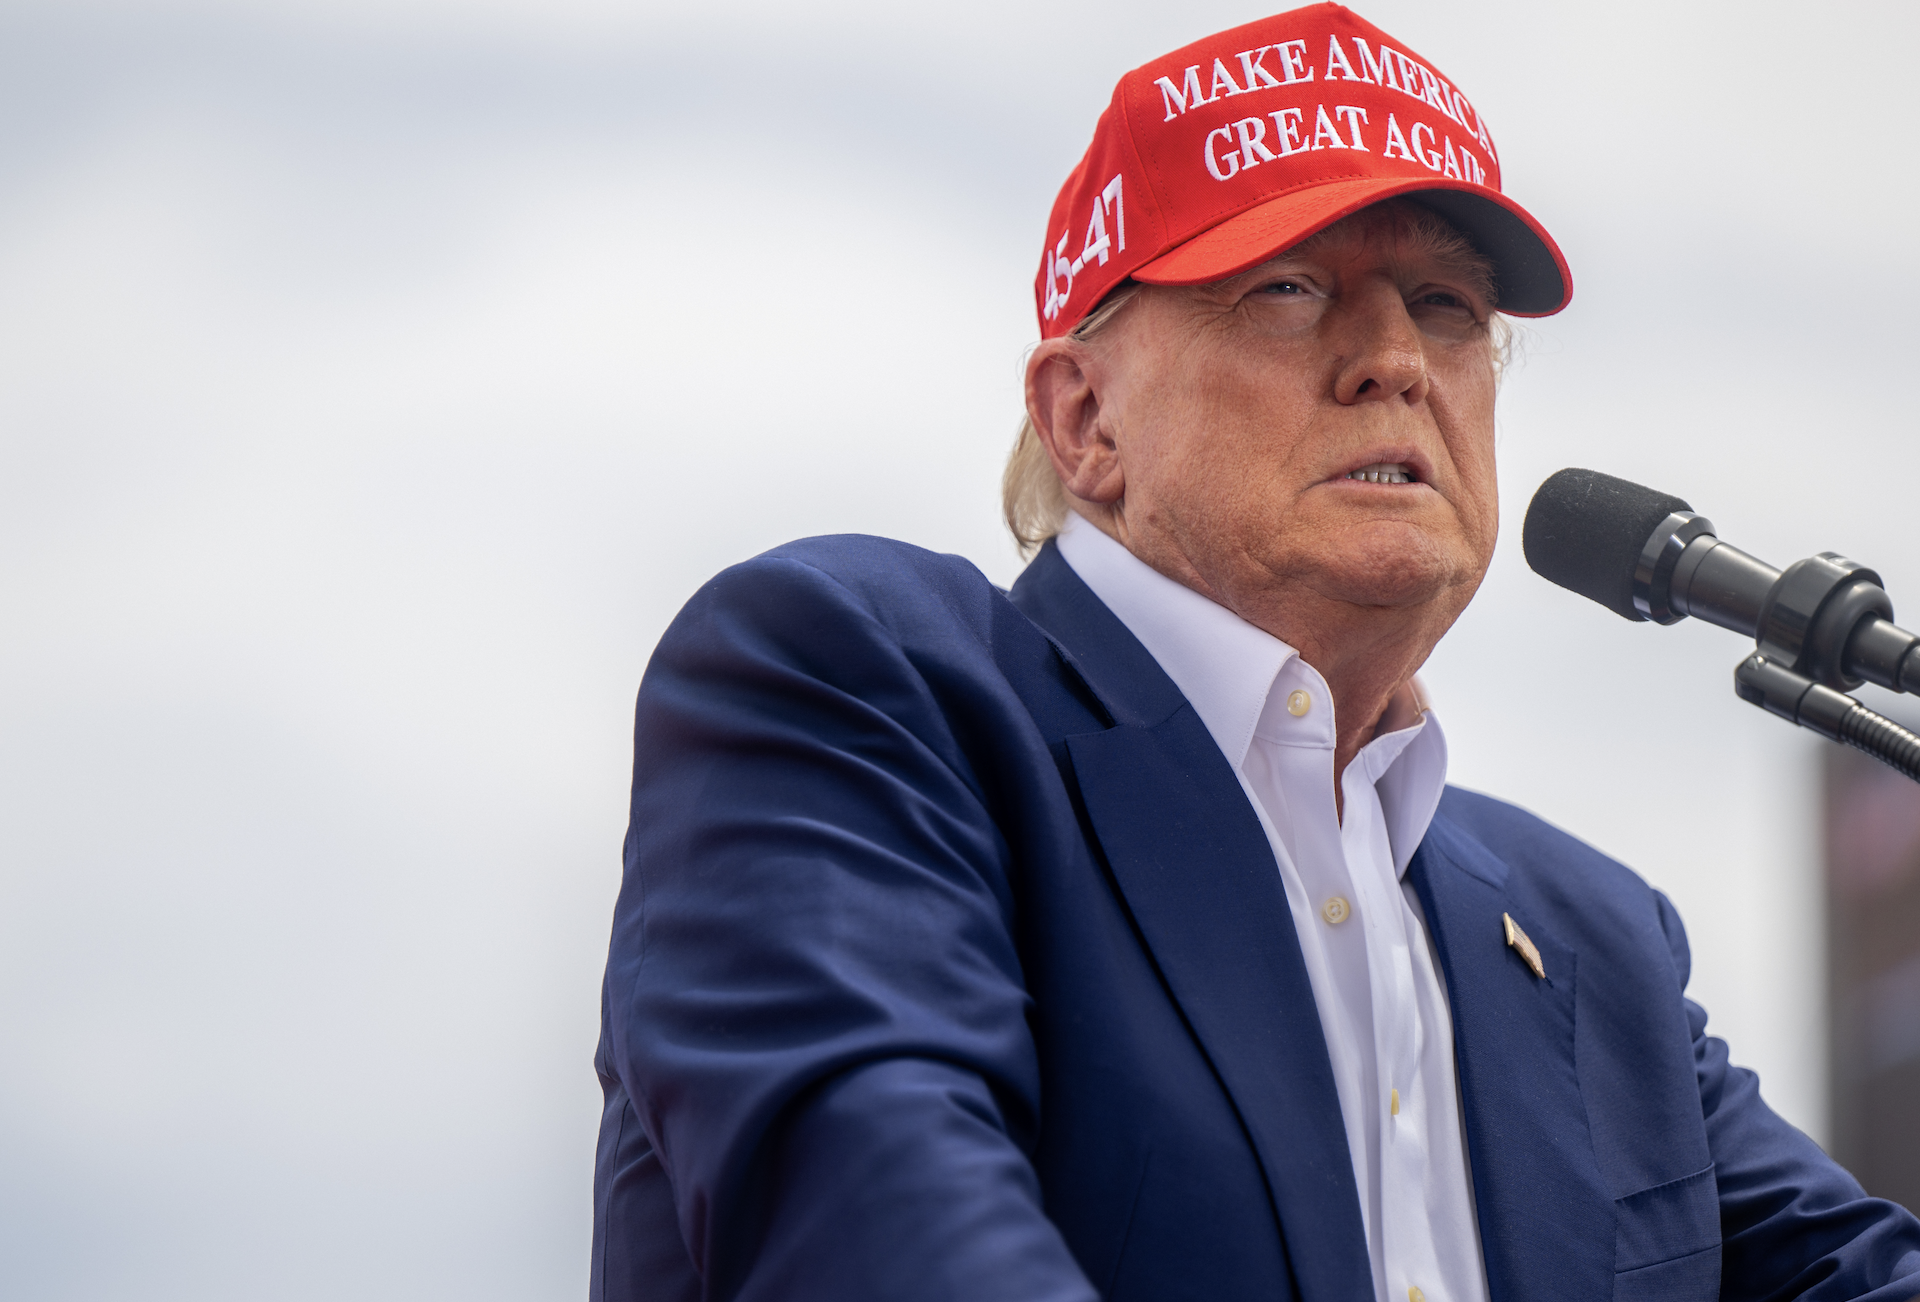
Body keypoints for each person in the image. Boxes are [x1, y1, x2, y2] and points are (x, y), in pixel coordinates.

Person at [590, 5, 1920, 1300]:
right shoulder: (856, 691)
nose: (1394, 357)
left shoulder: (1595, 937)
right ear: (1084, 415)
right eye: (1290, 290)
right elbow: (888, 1231)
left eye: (1447, 305)